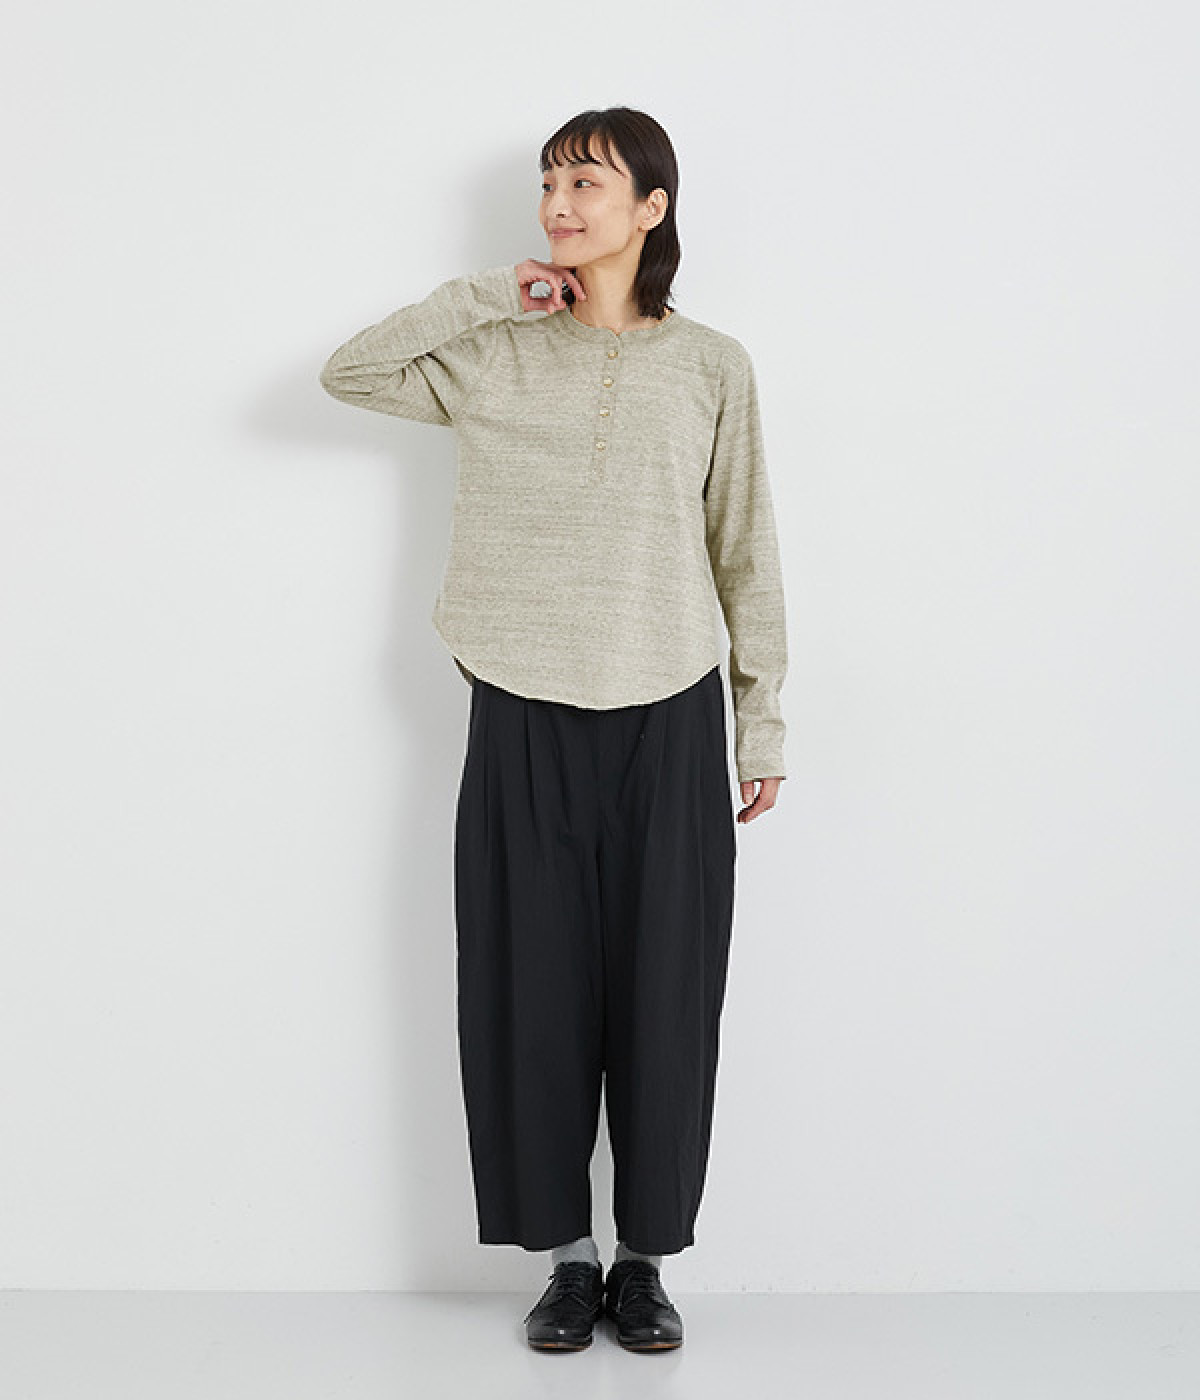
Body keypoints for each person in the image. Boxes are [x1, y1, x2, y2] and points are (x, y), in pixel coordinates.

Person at [319, 106, 788, 1353]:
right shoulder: (495, 352)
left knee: (666, 995)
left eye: (587, 182)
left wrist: (761, 719)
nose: (560, 204)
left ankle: (646, 1261)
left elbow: (745, 548)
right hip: (522, 702)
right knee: (529, 991)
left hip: (670, 709)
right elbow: (348, 372)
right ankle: (566, 1262)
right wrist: (490, 293)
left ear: (652, 207)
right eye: (548, 183)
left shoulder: (713, 365)